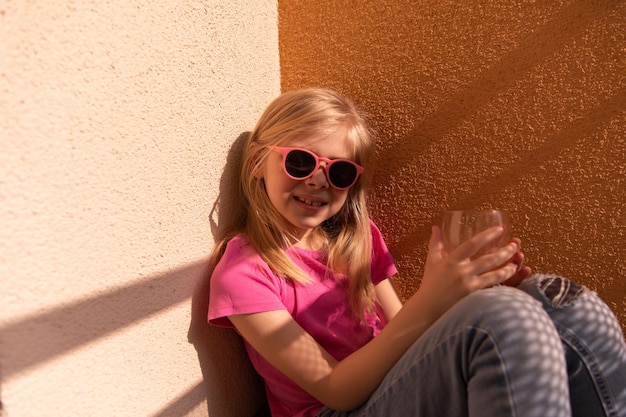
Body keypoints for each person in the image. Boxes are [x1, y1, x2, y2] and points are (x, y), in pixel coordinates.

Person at [207, 88, 626, 417]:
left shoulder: (357, 239)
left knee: (557, 301)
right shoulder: (244, 272)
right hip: (333, 411)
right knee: (501, 318)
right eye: (300, 162)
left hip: (395, 387)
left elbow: (406, 335)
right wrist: (433, 299)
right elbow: (335, 389)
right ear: (258, 163)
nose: (319, 180)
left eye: (339, 170)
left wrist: (461, 297)